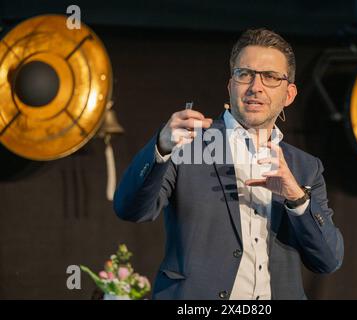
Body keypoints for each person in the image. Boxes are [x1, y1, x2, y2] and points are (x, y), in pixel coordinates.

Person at [113, 28, 344, 300]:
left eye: (270, 77)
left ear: (289, 94)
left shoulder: (305, 167)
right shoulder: (188, 143)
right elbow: (130, 209)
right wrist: (161, 148)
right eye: (245, 74)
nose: (256, 86)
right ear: (231, 85)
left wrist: (296, 196)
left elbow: (328, 260)